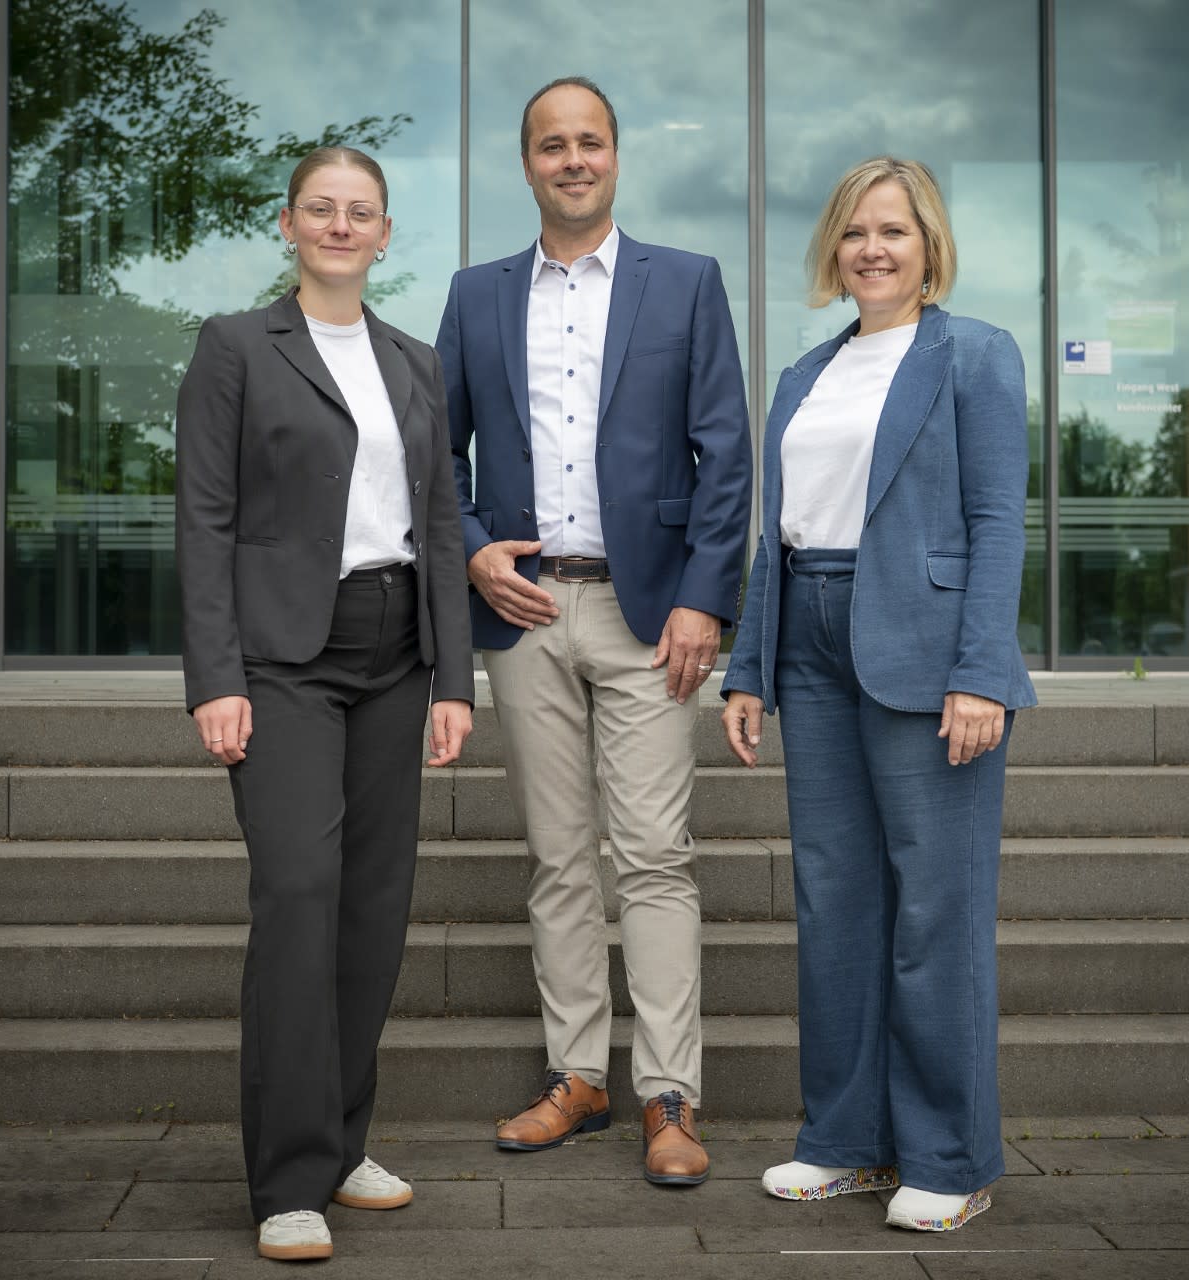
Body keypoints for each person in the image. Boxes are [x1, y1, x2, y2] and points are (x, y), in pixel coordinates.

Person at [437, 76, 750, 1186]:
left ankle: (671, 1093)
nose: (572, 159)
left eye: (590, 142)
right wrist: (473, 548)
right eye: (551, 145)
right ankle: (579, 1076)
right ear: (525, 164)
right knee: (559, 858)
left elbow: (727, 455)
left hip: (649, 612)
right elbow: (441, 458)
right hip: (524, 614)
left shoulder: (688, 283)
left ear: (617, 156)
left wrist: (707, 600)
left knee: (655, 855)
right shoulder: (476, 296)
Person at [720, 156, 1036, 1232]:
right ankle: (846, 1141)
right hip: (809, 639)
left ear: (928, 243)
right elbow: (780, 532)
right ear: (834, 247)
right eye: (855, 231)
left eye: (894, 230)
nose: (872, 248)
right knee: (837, 905)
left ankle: (951, 1153)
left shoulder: (976, 356)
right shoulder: (807, 374)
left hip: (924, 643)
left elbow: (998, 522)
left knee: (935, 911)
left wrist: (982, 669)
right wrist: (748, 667)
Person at [175, 145, 474, 1262]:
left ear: (386, 233)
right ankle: (288, 1177)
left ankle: (345, 1143)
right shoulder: (236, 347)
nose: (341, 226)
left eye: (362, 212)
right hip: (284, 659)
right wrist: (216, 677)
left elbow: (441, 522)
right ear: (290, 224)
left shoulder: (413, 359)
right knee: (300, 891)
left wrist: (456, 678)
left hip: (397, 651)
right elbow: (203, 518)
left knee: (372, 905)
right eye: (322, 209)